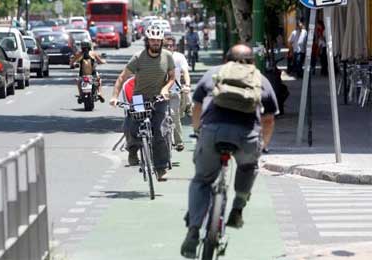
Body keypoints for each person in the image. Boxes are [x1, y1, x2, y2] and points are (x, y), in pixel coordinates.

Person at [180, 44, 279, 258]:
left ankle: (194, 230)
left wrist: (198, 132)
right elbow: (269, 119)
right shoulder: (261, 80)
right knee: (248, 166)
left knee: (202, 180)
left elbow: (197, 106)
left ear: (226, 59)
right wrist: (263, 146)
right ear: (252, 62)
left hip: (212, 133)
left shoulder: (213, 73)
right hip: (246, 137)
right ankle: (237, 209)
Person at [109, 24, 175, 180]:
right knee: (131, 125)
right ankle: (132, 151)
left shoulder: (167, 56)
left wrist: (165, 89)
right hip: (139, 97)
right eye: (152, 40)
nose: (155, 43)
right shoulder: (138, 57)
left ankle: (160, 168)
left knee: (158, 131)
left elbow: (172, 78)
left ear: (161, 41)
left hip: (159, 98)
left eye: (158, 41)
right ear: (147, 41)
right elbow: (122, 77)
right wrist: (114, 96)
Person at [164, 35, 191, 152]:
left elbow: (185, 72)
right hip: (159, 93)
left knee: (174, 115)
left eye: (171, 45)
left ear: (174, 46)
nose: (169, 47)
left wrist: (187, 85)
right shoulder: (156, 57)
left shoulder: (179, 57)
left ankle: (179, 141)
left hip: (174, 93)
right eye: (166, 45)